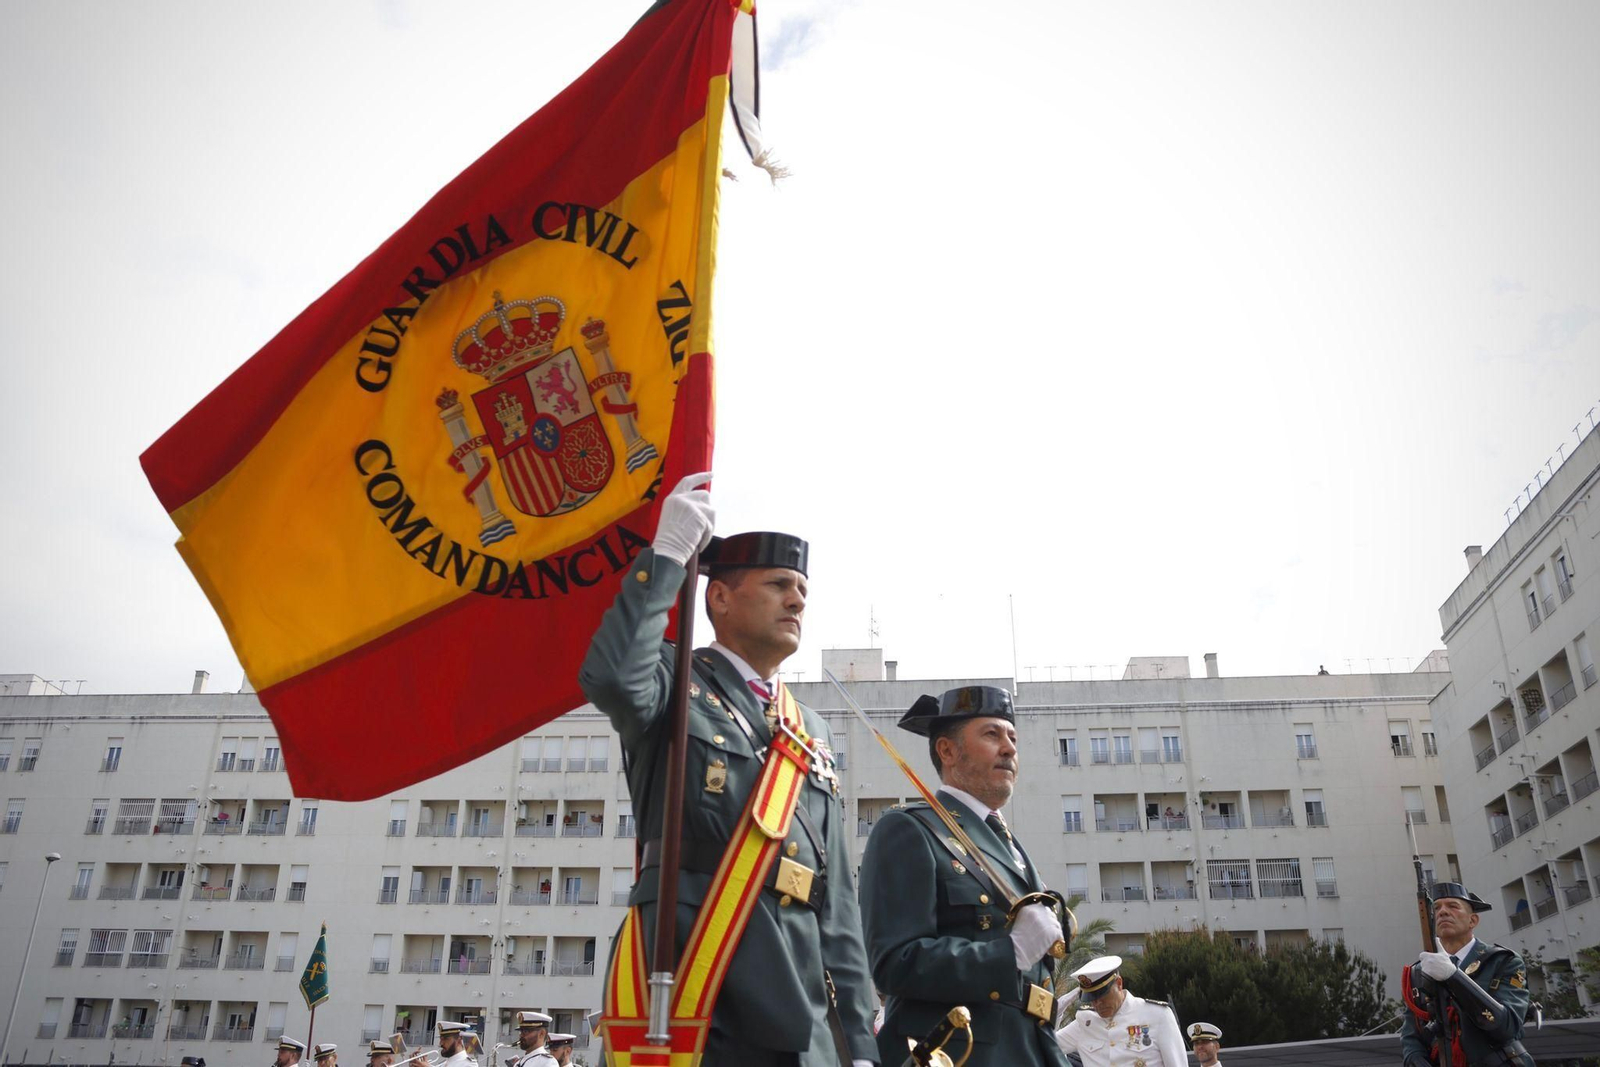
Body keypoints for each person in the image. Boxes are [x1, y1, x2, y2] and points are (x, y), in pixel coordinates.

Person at [579, 472, 877, 1066]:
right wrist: (666, 558)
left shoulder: (809, 729)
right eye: (778, 585)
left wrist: (861, 1042)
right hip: (698, 970)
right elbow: (611, 677)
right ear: (719, 596)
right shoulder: (673, 678)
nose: (797, 600)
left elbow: (837, 897)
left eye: (802, 590)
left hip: (804, 996)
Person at [859, 685, 1069, 1067]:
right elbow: (894, 962)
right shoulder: (909, 830)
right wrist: (1009, 953)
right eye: (992, 734)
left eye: (1013, 738)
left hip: (1031, 1051)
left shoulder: (1010, 845)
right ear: (948, 751)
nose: (1009, 748)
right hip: (959, 1051)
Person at [1400, 881, 1534, 1066]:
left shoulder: (1503, 961)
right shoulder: (1419, 972)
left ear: (1473, 920)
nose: (1443, 912)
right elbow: (1411, 1037)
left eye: (1453, 906)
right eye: (1436, 908)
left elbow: (1506, 1027)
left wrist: (1453, 976)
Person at [1054, 955, 1186, 1066]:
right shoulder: (1085, 1023)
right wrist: (1054, 1013)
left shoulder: (1158, 1015)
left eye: (1102, 995)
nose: (1098, 1003)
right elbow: (1046, 1045)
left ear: (1119, 983)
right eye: (1092, 998)